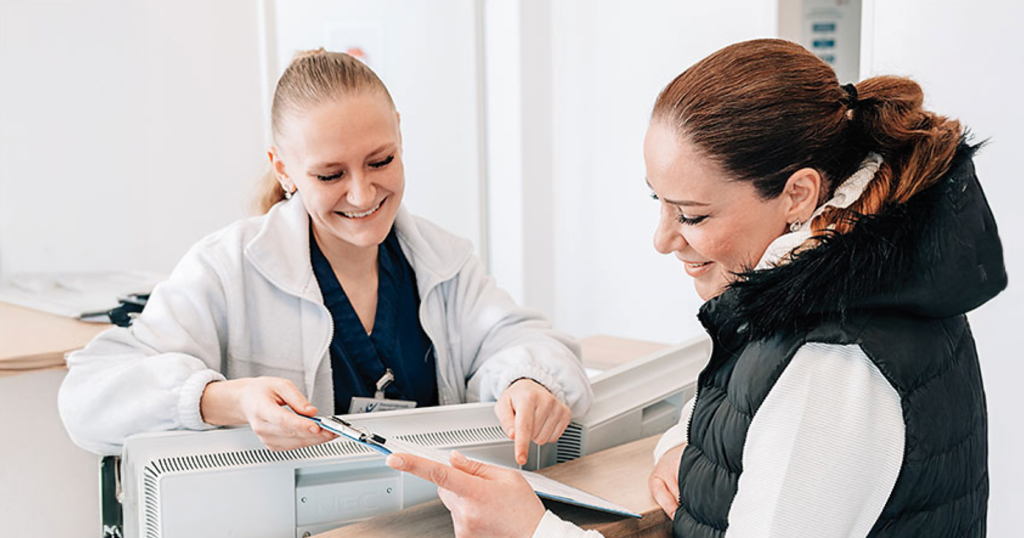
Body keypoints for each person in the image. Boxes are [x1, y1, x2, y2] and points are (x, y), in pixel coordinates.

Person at [386, 38, 1006, 538]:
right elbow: (750, 401)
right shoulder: (827, 285)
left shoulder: (835, 360)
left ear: (798, 195)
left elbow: (796, 406)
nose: (663, 239)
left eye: (691, 215)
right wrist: (684, 441)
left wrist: (531, 530)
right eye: (658, 201)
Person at [58, 50, 592, 464]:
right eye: (330, 174)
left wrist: (526, 380)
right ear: (284, 169)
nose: (362, 194)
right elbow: (87, 399)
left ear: (400, 133)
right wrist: (228, 400)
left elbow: (527, 343)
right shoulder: (226, 267)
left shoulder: (442, 261)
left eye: (380, 161)